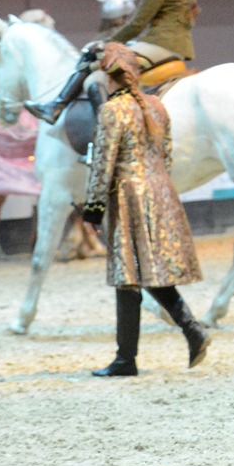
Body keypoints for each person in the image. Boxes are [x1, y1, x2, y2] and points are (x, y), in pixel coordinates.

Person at [82, 44, 208, 377]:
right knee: (148, 270)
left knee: (128, 277)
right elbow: (166, 154)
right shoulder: (157, 106)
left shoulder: (113, 110)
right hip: (161, 191)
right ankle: (192, 329)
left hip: (129, 196)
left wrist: (93, 207)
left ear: (110, 77)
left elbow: (103, 162)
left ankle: (126, 359)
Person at [26, 0, 199, 125]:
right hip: (180, 46)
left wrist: (105, 42)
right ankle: (57, 106)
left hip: (161, 44)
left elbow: (137, 23)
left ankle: (96, 124)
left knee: (93, 64)